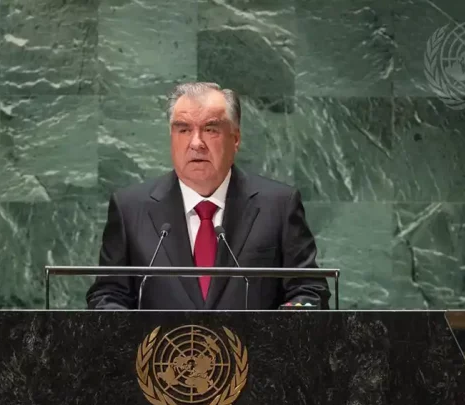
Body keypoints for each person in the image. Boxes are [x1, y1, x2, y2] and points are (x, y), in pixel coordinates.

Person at [86, 82, 331, 310]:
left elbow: (309, 291)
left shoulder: (278, 205)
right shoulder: (130, 209)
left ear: (235, 139)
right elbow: (108, 295)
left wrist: (284, 324)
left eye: (210, 129)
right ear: (171, 137)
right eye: (183, 129)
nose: (196, 143)